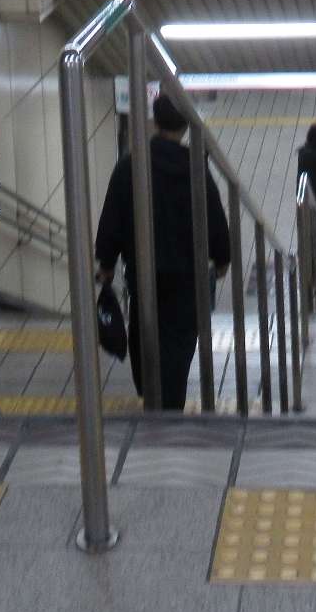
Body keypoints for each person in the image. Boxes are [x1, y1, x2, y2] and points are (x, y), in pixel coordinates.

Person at [95, 93, 232, 409]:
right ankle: (171, 400)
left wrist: (107, 262)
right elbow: (213, 214)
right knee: (180, 341)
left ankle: (152, 394)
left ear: (155, 122)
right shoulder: (194, 167)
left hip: (144, 273)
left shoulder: (131, 164)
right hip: (187, 275)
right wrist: (222, 257)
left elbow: (113, 215)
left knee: (145, 333)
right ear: (186, 125)